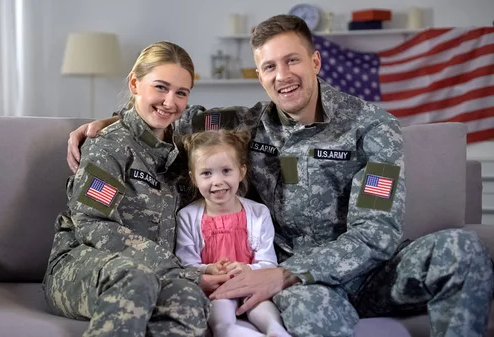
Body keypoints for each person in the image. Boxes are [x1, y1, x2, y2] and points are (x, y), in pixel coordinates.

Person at [66, 15, 494, 337]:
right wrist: (109, 123)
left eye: (291, 61)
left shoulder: (372, 126)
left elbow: (377, 233)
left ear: (316, 60)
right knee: (309, 314)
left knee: (461, 247)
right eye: (268, 67)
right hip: (300, 283)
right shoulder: (248, 123)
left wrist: (290, 273)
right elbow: (172, 114)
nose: (282, 76)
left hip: (366, 272)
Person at [43, 41, 230, 337]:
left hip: (155, 272)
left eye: (181, 92)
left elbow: (233, 121)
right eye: (160, 87)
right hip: (82, 266)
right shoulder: (109, 145)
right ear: (134, 83)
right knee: (136, 277)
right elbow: (94, 225)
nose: (170, 102)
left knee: (190, 299)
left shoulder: (185, 139)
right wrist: (184, 271)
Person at [176, 129, 289, 337]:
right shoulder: (187, 216)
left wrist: (246, 268)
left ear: (242, 171)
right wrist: (210, 269)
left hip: (252, 283)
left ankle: (276, 332)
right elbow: (186, 264)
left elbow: (268, 262)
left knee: (267, 315)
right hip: (216, 289)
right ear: (194, 178)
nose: (217, 181)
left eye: (226, 171)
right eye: (207, 173)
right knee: (222, 324)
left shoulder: (258, 213)